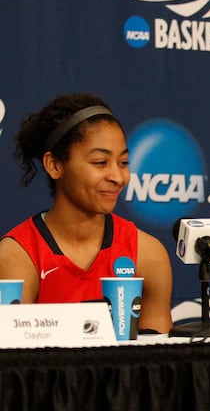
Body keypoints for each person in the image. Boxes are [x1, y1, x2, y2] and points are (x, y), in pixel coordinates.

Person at [0, 93, 173, 334]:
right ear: (55, 165)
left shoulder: (147, 254)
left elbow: (158, 364)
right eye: (100, 162)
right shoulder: (16, 257)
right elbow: (15, 365)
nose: (117, 177)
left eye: (123, 162)